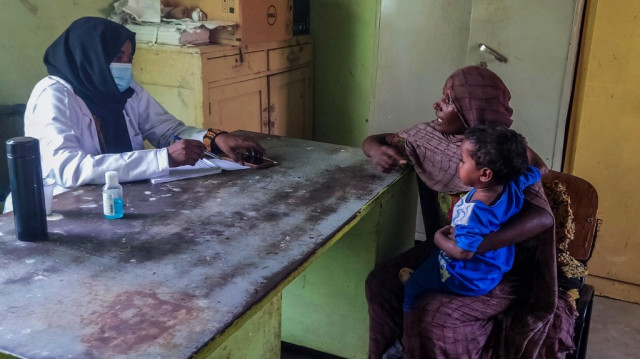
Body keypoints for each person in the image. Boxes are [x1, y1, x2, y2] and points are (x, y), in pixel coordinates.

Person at [362, 66, 576, 359]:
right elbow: (379, 139)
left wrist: (476, 245)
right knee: (380, 283)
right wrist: (375, 150)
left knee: (436, 314)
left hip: (497, 267)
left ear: (470, 110)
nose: (437, 105)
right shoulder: (431, 138)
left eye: (448, 100)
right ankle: (390, 353)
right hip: (448, 250)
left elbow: (542, 217)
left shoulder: (504, 155)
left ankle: (410, 350)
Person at [4, 17, 263, 212]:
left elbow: (166, 130)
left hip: (120, 201)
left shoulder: (125, 90)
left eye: (129, 58)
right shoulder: (53, 95)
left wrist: (212, 138)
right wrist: (162, 159)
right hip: (61, 210)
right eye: (117, 57)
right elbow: (70, 170)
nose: (125, 66)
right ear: (91, 57)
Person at [402, 126, 545, 312]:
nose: (459, 164)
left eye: (463, 161)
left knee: (413, 284)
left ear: (485, 174)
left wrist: (438, 238)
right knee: (433, 258)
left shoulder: (474, 212)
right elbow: (541, 168)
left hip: (467, 278)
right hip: (491, 269)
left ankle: (408, 319)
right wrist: (517, 145)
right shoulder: (514, 183)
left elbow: (463, 253)